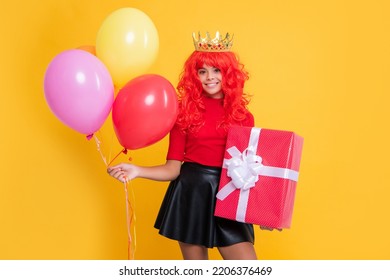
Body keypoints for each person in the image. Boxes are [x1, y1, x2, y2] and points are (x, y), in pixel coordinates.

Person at [107, 32, 258, 260]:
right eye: (202, 71)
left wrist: (263, 211)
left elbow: (250, 171)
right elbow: (173, 169)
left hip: (228, 194)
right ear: (194, 75)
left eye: (216, 70)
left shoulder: (243, 117)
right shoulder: (183, 113)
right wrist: (137, 170)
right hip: (191, 193)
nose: (209, 77)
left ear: (228, 74)